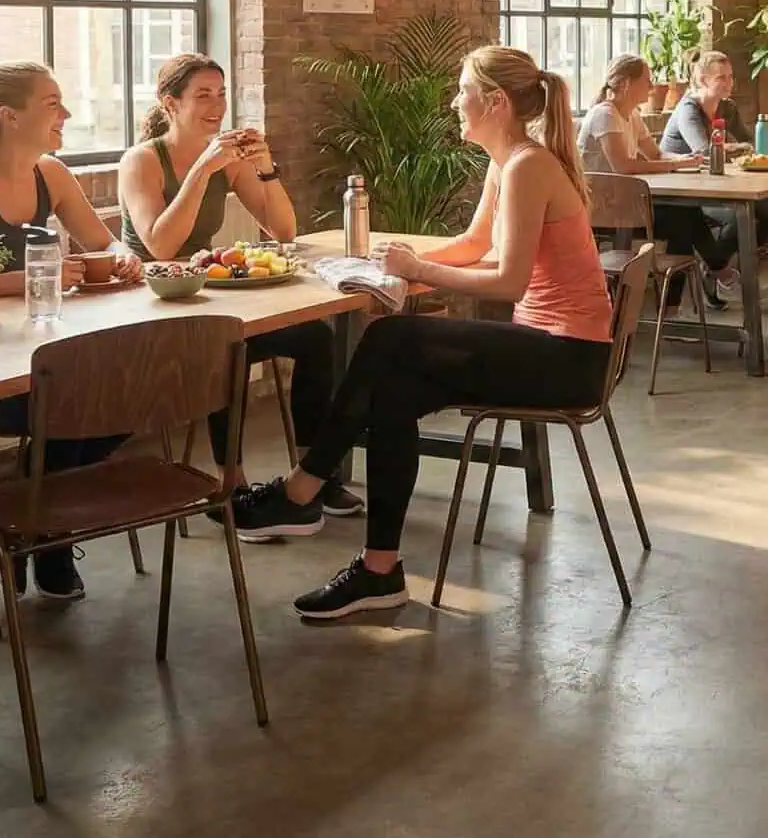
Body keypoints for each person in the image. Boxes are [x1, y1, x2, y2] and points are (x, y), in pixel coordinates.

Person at [230, 46, 615, 620]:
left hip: (569, 358)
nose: (454, 101)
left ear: (495, 101)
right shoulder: (505, 163)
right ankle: (379, 570)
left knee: (390, 339)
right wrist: (400, 258)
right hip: (544, 345)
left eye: (462, 90)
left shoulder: (529, 166)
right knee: (393, 394)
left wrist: (416, 271)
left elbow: (508, 281)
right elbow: (472, 247)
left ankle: (302, 489)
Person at [0, 61, 143, 600]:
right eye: (52, 103)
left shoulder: (52, 173)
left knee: (128, 396)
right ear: (9, 116)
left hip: (33, 351)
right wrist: (30, 278)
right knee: (72, 406)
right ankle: (47, 536)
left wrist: (122, 257)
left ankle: (29, 515)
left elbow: (101, 240)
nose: (66, 113)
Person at [115, 54, 353, 514]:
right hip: (151, 307)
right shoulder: (142, 161)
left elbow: (283, 231)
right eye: (202, 95)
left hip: (205, 296)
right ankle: (230, 485)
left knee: (316, 339)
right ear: (170, 103)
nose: (216, 105)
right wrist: (203, 170)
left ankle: (313, 472)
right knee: (230, 347)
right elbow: (162, 248)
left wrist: (264, 166)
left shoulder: (228, 160)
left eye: (221, 93)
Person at [579, 54, 735, 309]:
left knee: (685, 217)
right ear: (627, 84)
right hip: (603, 210)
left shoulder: (632, 115)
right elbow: (625, 167)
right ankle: (714, 274)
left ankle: (678, 303)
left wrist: (687, 159)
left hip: (626, 206)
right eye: (647, 81)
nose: (652, 88)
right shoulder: (604, 115)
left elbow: (655, 154)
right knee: (684, 221)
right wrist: (676, 165)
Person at [661, 51, 768, 251]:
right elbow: (704, 152)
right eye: (721, 78)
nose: (729, 83)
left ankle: (724, 264)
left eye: (730, 77)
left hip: (719, 184)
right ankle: (720, 268)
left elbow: (749, 143)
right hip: (685, 193)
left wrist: (741, 149)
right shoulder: (688, 109)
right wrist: (739, 149)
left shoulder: (727, 108)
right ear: (703, 80)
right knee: (739, 218)